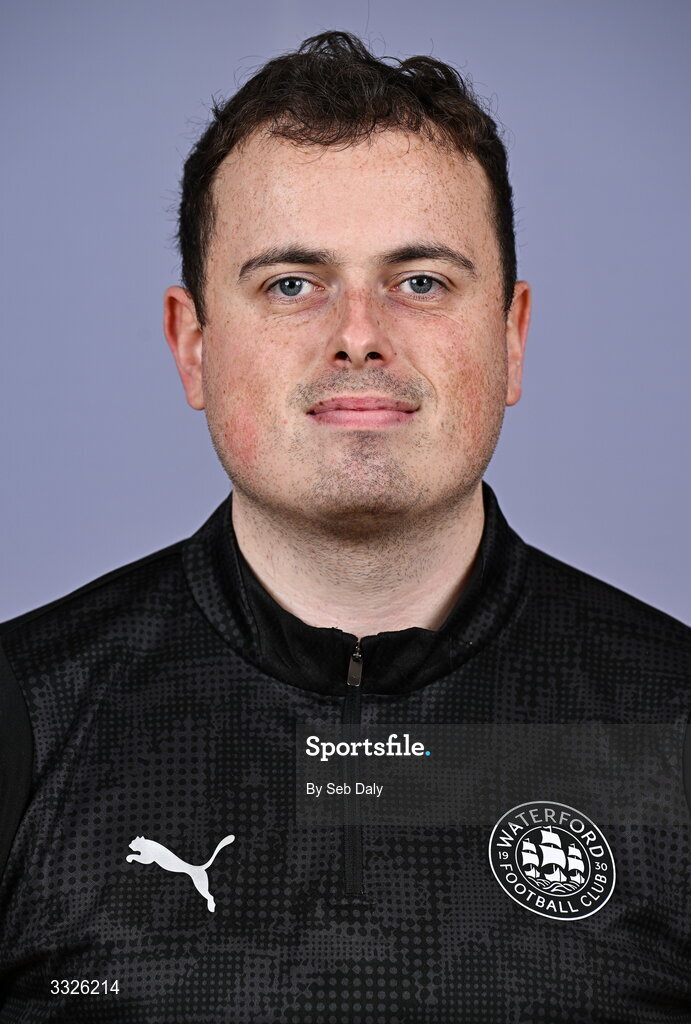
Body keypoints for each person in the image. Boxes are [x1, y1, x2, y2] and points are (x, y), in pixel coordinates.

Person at [0, 30, 689, 1023]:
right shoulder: (27, 717)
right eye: (291, 283)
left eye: (420, 281)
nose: (358, 333)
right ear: (192, 345)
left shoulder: (671, 718)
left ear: (510, 337)